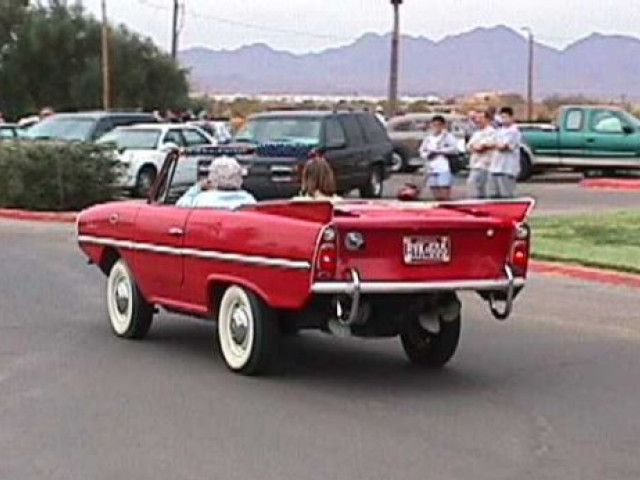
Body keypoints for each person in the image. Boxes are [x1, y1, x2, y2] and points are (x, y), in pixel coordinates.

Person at [176, 156, 256, 209]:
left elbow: (179, 207)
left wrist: (198, 187)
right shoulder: (249, 200)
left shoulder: (201, 201)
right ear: (239, 179)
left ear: (211, 179)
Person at [418, 115, 458, 201]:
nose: (436, 127)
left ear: (443, 125)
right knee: (434, 188)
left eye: (438, 125)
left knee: (444, 188)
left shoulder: (448, 136)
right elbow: (422, 150)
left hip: (444, 167)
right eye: (434, 125)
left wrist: (439, 151)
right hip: (431, 167)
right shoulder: (428, 138)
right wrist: (427, 154)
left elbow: (454, 149)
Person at [490, 107, 522, 198]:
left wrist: (493, 145)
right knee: (496, 195)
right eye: (502, 117)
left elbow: (503, 146)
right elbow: (492, 143)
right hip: (496, 166)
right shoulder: (499, 131)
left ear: (512, 117)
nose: (504, 120)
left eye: (506, 117)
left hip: (508, 168)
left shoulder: (514, 131)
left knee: (507, 194)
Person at [466, 110, 497, 199]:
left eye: (481, 118)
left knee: (482, 190)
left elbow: (482, 147)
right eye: (477, 118)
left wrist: (479, 147)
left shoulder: (492, 132)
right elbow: (469, 147)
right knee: (474, 188)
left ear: (487, 119)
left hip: (486, 166)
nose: (478, 120)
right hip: (475, 165)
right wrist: (475, 147)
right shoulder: (477, 133)